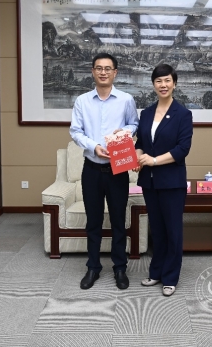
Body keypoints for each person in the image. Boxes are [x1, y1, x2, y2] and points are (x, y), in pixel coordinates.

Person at [69, 53, 139, 290]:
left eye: (108, 68)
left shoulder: (126, 99)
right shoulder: (82, 101)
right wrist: (93, 146)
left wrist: (122, 134)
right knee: (94, 221)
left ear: (115, 72)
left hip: (117, 170)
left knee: (118, 219)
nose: (103, 72)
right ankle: (93, 267)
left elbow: (134, 124)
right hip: (91, 169)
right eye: (99, 68)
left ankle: (120, 268)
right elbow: (75, 131)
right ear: (92, 71)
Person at [134, 63, 193, 296]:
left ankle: (170, 277)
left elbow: (182, 149)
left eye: (167, 80)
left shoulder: (183, 114)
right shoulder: (146, 113)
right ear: (153, 84)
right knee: (157, 229)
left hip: (171, 182)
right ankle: (156, 272)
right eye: (158, 81)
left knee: (172, 231)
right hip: (149, 182)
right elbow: (140, 144)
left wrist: (154, 160)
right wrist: (138, 158)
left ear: (174, 83)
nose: (163, 84)